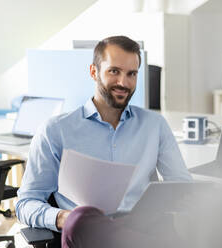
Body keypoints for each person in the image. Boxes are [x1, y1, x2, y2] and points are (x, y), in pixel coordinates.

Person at [16, 35, 192, 246]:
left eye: (131, 74)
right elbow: (26, 203)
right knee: (82, 218)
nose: (123, 83)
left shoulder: (154, 125)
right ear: (94, 72)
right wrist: (63, 217)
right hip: (87, 232)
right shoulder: (55, 130)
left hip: (141, 225)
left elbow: (182, 188)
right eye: (114, 71)